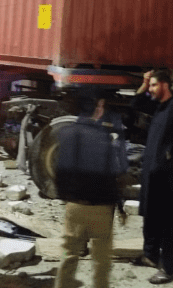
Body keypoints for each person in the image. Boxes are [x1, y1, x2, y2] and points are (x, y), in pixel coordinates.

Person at [130, 70, 173, 284]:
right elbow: (137, 104)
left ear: (165, 85)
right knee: (150, 217)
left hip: (166, 175)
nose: (150, 89)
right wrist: (144, 82)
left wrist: (170, 153)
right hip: (151, 173)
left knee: (168, 222)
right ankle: (150, 256)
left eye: (153, 85)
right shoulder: (158, 106)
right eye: (150, 86)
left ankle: (167, 269)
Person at [54, 97, 128, 288]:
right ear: (97, 110)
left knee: (68, 253)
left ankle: (63, 283)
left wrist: (68, 198)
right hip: (101, 209)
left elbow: (60, 172)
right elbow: (115, 174)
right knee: (101, 261)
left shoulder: (66, 133)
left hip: (75, 206)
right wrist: (119, 207)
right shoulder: (103, 136)